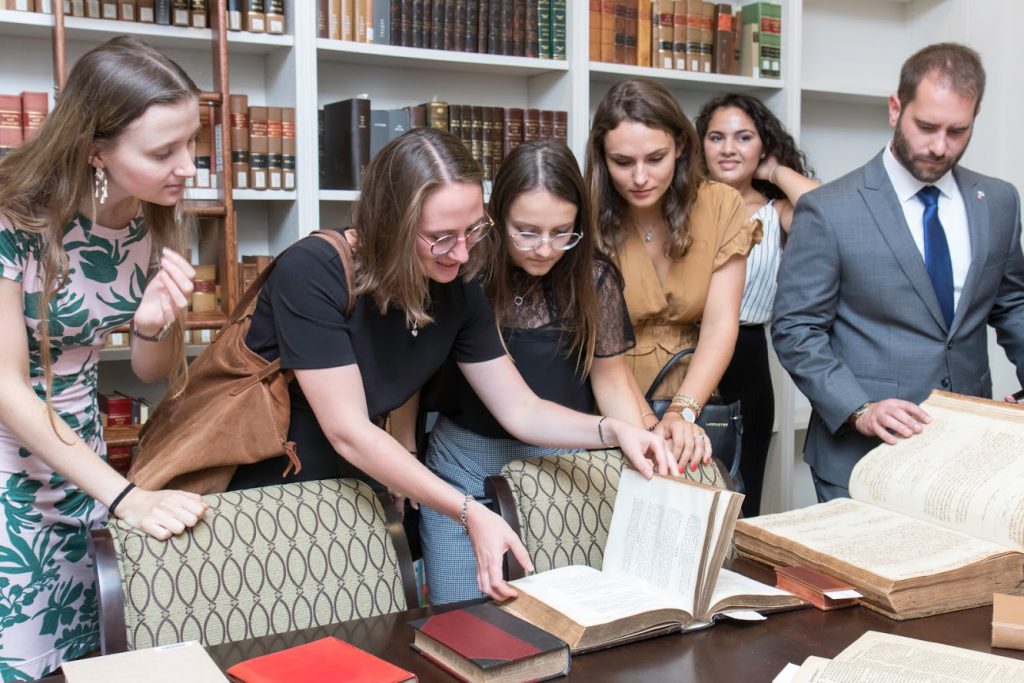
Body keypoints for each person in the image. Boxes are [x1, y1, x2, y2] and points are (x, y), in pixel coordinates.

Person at [229, 127, 678, 602]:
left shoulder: (456, 286)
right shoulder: (313, 269)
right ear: (391, 224)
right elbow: (347, 430)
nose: (463, 253)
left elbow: (521, 409)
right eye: (442, 238)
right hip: (271, 495)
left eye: (473, 231)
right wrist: (466, 509)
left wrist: (612, 430)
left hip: (362, 492)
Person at [0, 37, 209, 678]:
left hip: (81, 454)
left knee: (90, 651)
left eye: (192, 142)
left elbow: (152, 370)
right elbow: (8, 388)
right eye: (162, 151)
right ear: (97, 150)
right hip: (9, 463)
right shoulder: (15, 216)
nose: (188, 166)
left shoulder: (156, 218)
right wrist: (127, 500)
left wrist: (152, 325)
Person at [396, 139, 650, 604]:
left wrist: (636, 453)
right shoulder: (460, 270)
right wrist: (404, 451)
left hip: (566, 469)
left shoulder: (593, 279)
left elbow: (611, 379)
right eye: (526, 231)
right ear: (495, 217)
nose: (545, 249)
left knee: (568, 622)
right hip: (465, 467)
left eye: (562, 232)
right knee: (465, 621)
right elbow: (410, 371)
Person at [772, 42, 1024, 502]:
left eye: (957, 131)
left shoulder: (1000, 201)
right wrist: (858, 408)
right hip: (862, 455)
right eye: (925, 126)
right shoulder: (829, 210)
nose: (938, 146)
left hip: (968, 452)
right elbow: (795, 328)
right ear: (895, 109)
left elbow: (1012, 306)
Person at [584, 79, 760, 465]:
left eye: (655, 158)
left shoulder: (720, 205)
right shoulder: (586, 214)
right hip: (606, 399)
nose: (641, 178)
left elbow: (720, 326)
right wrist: (647, 424)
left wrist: (682, 412)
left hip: (694, 395)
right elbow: (602, 350)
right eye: (623, 162)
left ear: (680, 146)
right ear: (602, 157)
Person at [694, 93, 820, 517]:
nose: (728, 148)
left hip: (747, 360)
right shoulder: (684, 206)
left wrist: (775, 169)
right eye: (717, 137)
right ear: (700, 146)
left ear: (762, 145)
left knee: (742, 493)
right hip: (684, 354)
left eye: (743, 137)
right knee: (682, 491)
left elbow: (831, 211)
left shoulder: (777, 211)